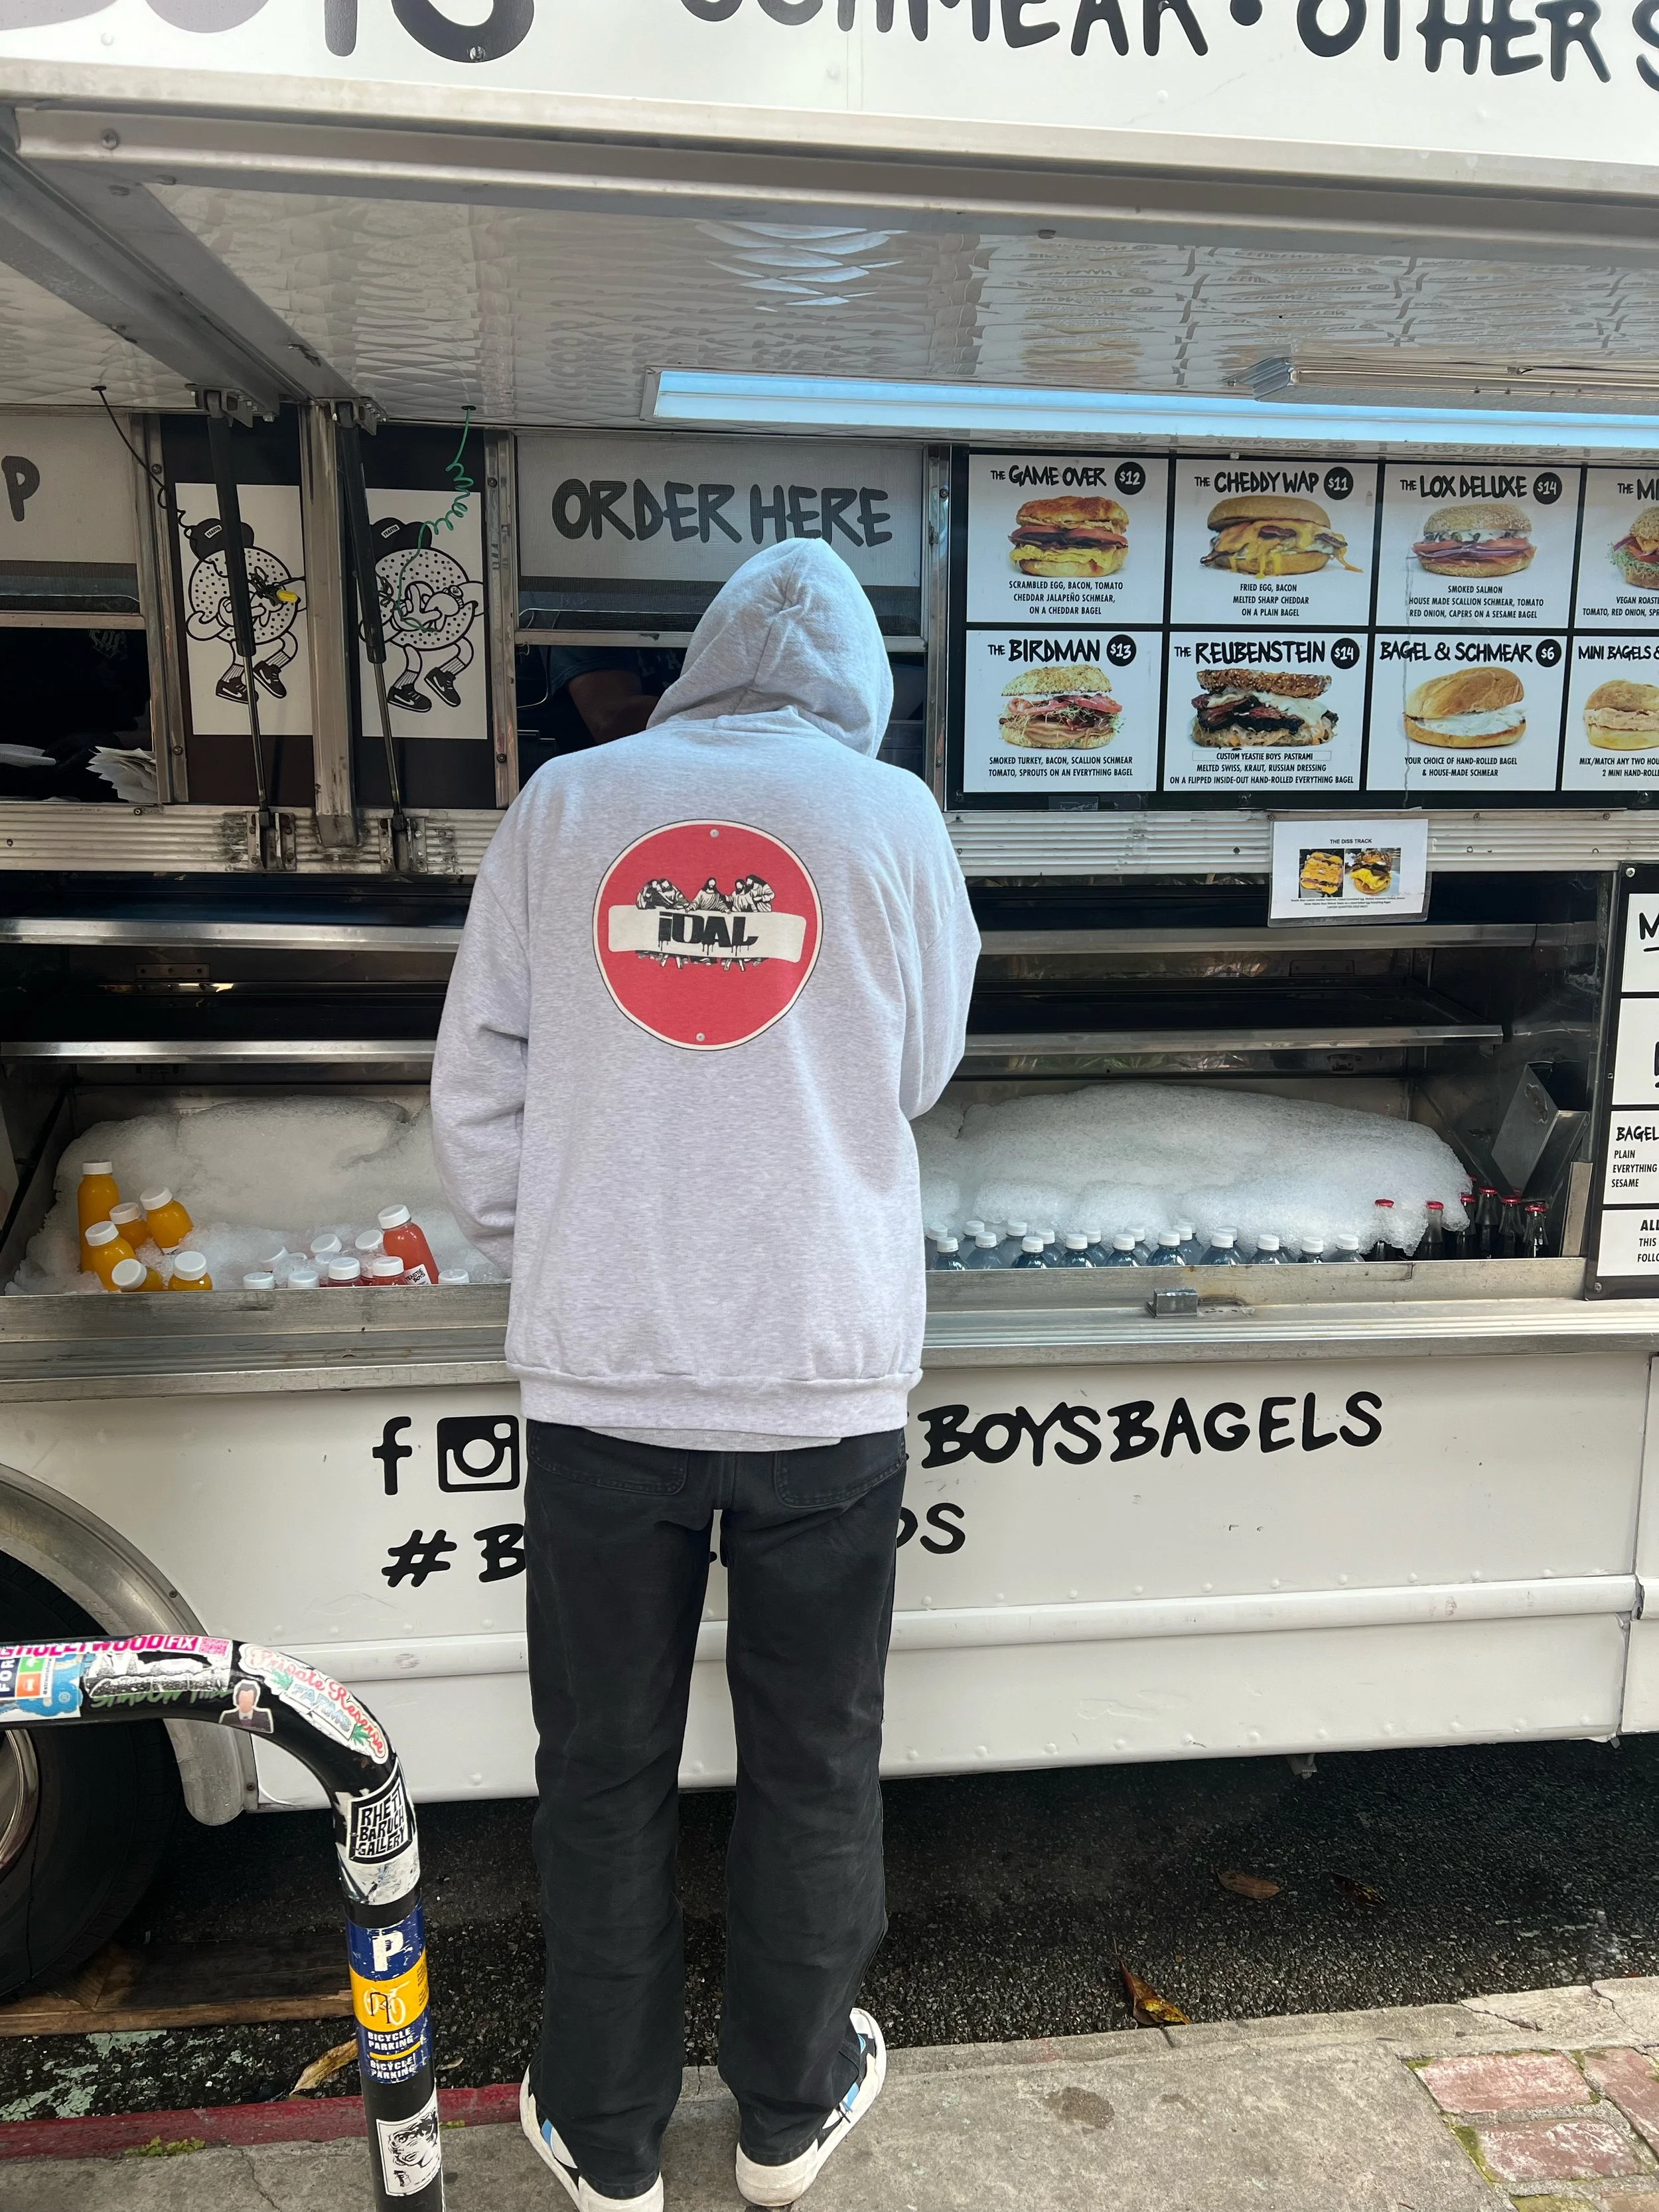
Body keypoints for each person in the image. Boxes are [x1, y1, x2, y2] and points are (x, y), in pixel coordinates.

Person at [431, 538, 979, 2212]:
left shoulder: (571, 804)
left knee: (600, 1764)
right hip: (821, 1382)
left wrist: (579, 1232)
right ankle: (786, 2115)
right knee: (813, 1756)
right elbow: (924, 1064)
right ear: (860, 684)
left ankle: (603, 2140)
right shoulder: (890, 820)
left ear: (704, 655)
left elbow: (478, 1077)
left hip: (604, 1390)